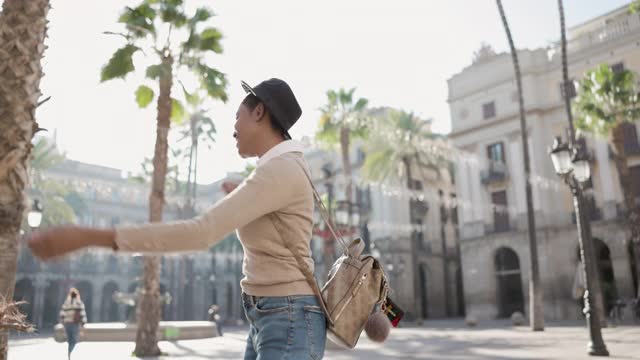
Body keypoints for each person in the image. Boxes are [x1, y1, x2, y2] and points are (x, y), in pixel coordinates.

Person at [29, 78, 327, 360]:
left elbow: (200, 233)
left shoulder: (280, 170)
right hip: (272, 315)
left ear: (259, 111)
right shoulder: (278, 169)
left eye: (238, 116)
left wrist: (89, 237)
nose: (234, 127)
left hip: (287, 316)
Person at [58, 288, 87, 359]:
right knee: (74, 340)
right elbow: (83, 314)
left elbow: (62, 314)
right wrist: (83, 324)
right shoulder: (79, 303)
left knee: (69, 339)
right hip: (75, 323)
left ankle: (69, 352)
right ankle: (70, 352)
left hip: (67, 323)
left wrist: (62, 322)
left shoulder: (66, 303)